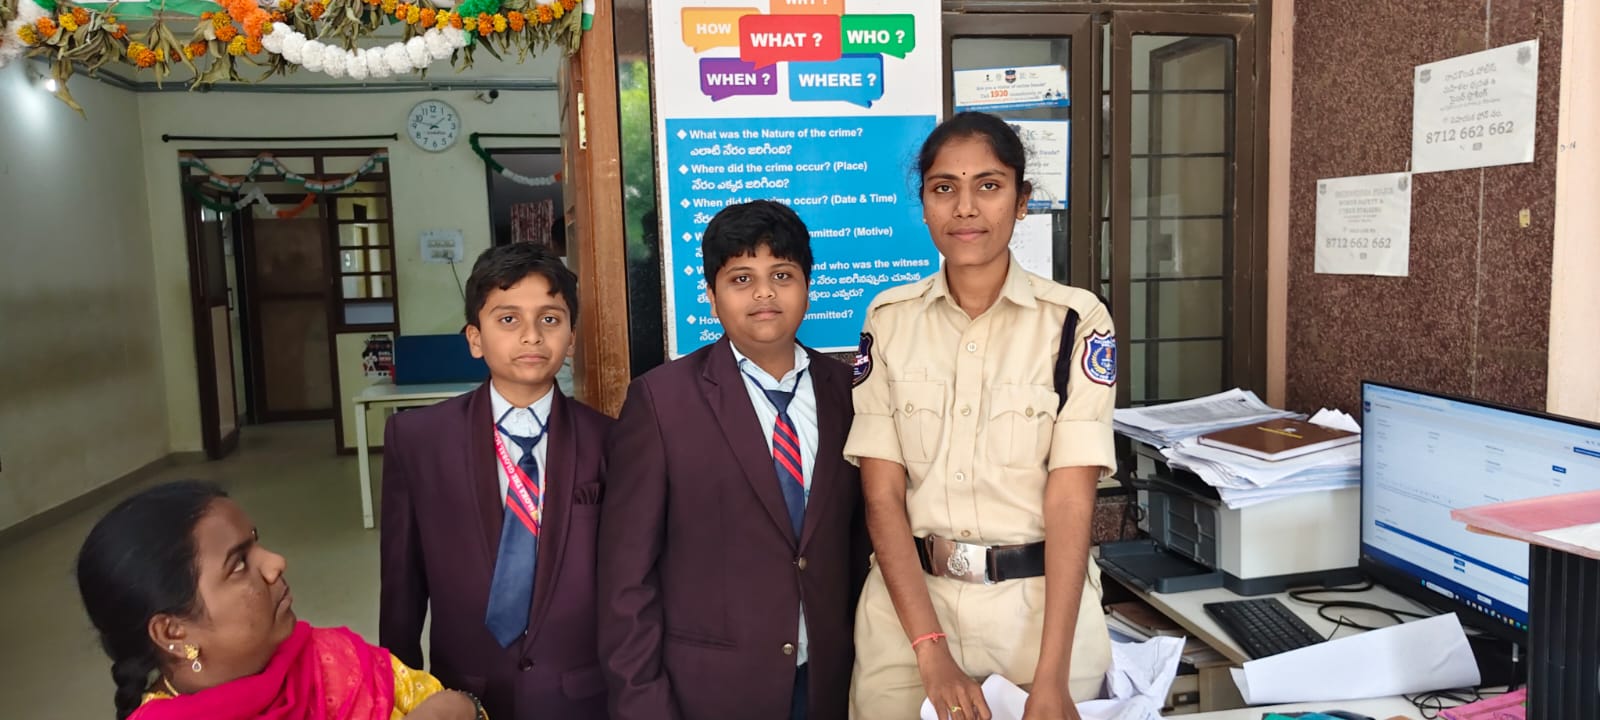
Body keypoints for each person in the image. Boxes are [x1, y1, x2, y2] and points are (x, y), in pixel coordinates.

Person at [846, 112, 1117, 720]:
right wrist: (930, 651)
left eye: (989, 186)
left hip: (1039, 614)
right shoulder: (888, 320)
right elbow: (882, 498)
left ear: (1021, 201)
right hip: (908, 615)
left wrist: (1051, 676)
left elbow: (1070, 501)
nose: (965, 207)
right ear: (923, 205)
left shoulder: (1075, 322)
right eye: (944, 187)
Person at [598, 200, 867, 720]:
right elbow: (626, 578)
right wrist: (643, 704)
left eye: (782, 275)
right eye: (741, 278)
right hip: (709, 692)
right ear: (711, 296)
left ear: (808, 286)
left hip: (831, 683)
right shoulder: (661, 402)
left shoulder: (848, 393)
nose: (764, 293)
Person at [381, 243, 612, 720]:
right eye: (508, 319)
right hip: (464, 693)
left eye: (550, 319)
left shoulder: (610, 440)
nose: (531, 336)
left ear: (571, 338)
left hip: (581, 695)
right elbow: (402, 585)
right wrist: (401, 692)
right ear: (475, 338)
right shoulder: (418, 438)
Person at [75, 480, 484, 720]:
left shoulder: (331, 658)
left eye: (256, 543)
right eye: (239, 564)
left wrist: (458, 707)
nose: (275, 563)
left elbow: (446, 704)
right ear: (173, 632)